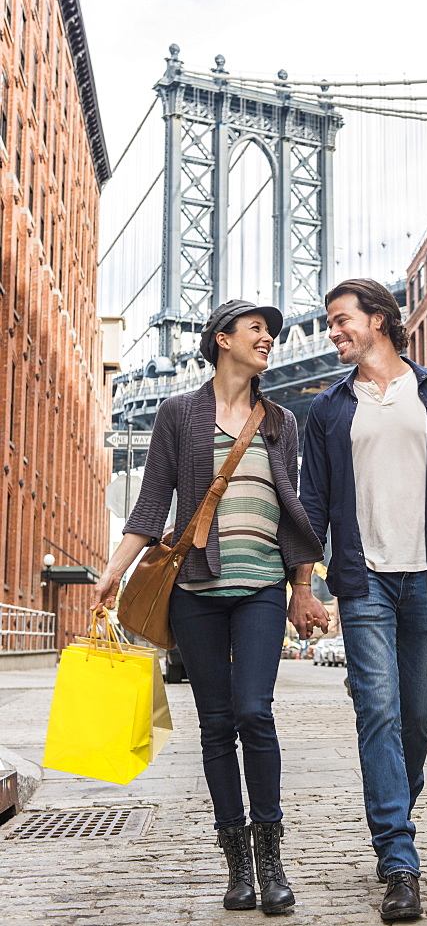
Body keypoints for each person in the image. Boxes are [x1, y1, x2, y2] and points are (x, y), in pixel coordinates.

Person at [93, 299, 328, 916]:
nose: (270, 339)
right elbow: (150, 507)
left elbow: (295, 512)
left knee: (256, 712)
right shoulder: (177, 414)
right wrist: (112, 576)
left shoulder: (280, 420)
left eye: (274, 333)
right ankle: (239, 867)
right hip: (195, 592)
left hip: (258, 591)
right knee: (217, 724)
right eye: (257, 329)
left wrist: (301, 584)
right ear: (222, 340)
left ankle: (272, 858)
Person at [295, 279, 427, 922]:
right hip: (365, 580)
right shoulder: (327, 409)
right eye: (330, 324)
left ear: (378, 320)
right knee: (377, 711)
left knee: (416, 715)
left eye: (340, 321)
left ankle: (392, 820)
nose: (331, 333)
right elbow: (313, 506)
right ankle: (399, 858)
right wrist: (304, 585)